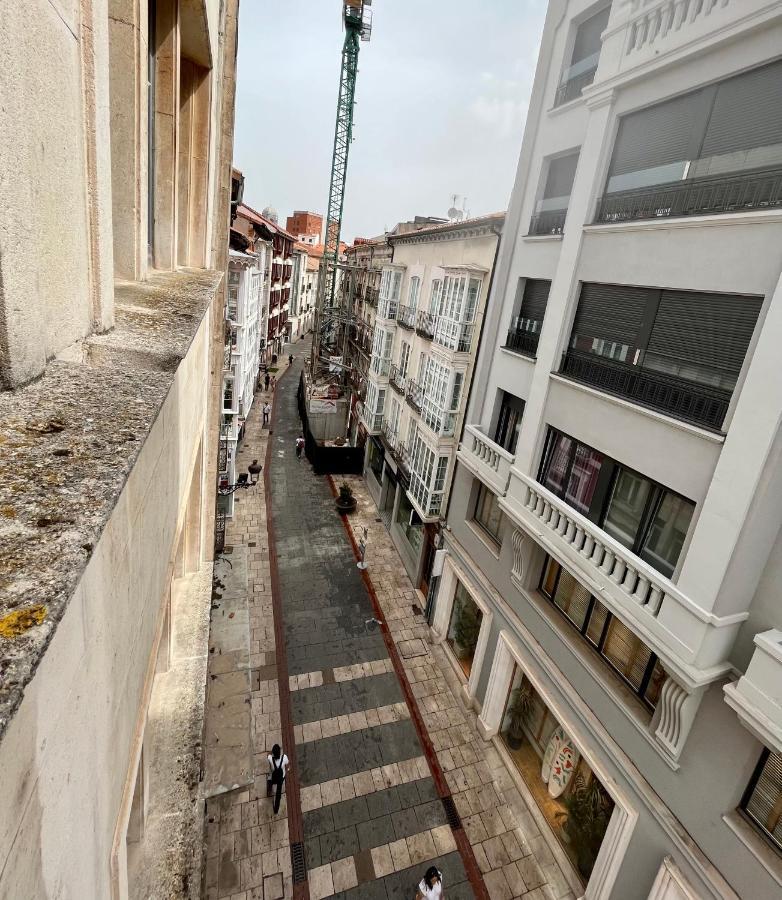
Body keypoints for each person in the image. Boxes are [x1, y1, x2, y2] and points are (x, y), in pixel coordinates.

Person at [266, 744, 289, 814]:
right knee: (278, 794)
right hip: (281, 777)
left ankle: (269, 791)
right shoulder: (284, 757)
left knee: (269, 781)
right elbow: (287, 764)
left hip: (273, 777)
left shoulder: (270, 758)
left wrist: (270, 753)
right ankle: (276, 809)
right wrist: (287, 770)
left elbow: (268, 755)